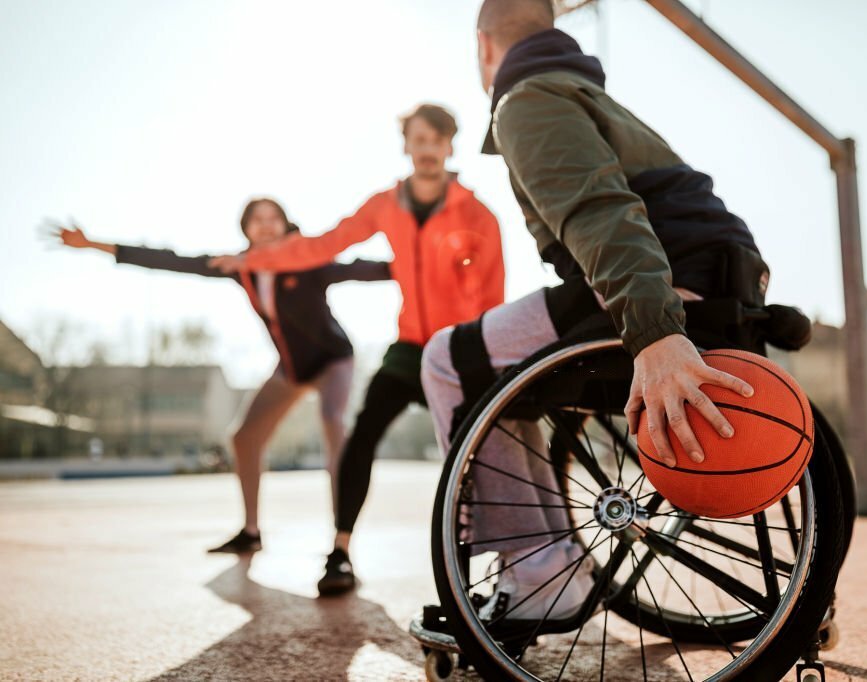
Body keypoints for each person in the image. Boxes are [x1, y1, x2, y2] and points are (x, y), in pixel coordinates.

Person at [419, 0, 760, 624]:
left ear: (483, 44)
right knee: (494, 359)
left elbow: (601, 212)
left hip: (657, 287)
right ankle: (551, 565)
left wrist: (656, 334)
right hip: (711, 277)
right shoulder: (583, 90)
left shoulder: (527, 98)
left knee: (447, 359)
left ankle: (541, 576)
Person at [208, 104, 505, 595]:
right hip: (409, 347)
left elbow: (490, 296)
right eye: (419, 139)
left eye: (437, 140)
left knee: (474, 454)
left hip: (458, 348)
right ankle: (341, 552)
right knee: (361, 434)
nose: (427, 149)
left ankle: (488, 566)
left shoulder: (478, 215)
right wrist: (257, 257)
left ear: (450, 146)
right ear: (406, 146)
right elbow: (324, 245)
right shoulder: (386, 204)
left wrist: (483, 354)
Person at [51, 199, 390, 562]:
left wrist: (424, 263)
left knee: (332, 423)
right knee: (244, 437)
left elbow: (363, 270)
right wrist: (95, 245)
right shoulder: (239, 266)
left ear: (285, 224)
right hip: (291, 368)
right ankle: (251, 532)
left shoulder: (305, 259)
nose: (265, 225)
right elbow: (173, 260)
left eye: (273, 218)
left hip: (332, 360)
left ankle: (341, 545)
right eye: (256, 219)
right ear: (245, 228)